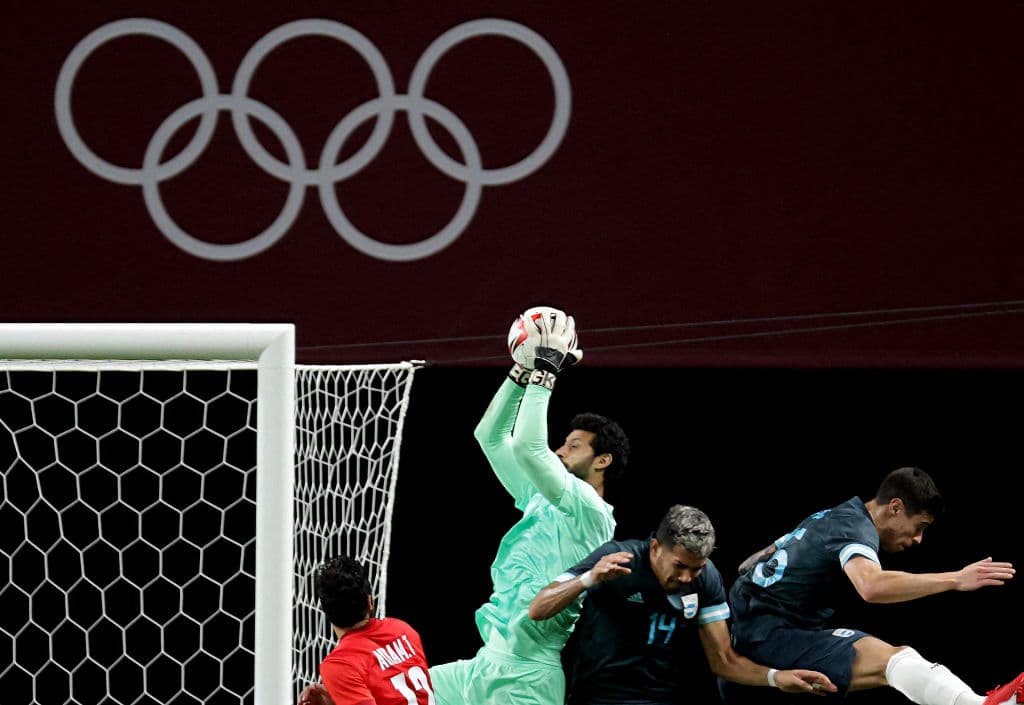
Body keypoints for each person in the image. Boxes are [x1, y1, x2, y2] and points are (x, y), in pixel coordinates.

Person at [428, 306, 632, 705]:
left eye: (573, 446)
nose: (560, 451)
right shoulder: (541, 497)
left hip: (528, 677)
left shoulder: (590, 513)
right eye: (562, 442)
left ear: (602, 460)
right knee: (391, 692)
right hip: (484, 663)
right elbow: (489, 435)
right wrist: (520, 373)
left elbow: (528, 446)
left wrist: (547, 369)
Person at [719, 466, 1022, 705]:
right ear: (895, 507)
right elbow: (872, 586)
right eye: (920, 527)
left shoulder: (835, 515)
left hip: (757, 634)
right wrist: (955, 579)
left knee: (889, 657)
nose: (918, 540)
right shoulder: (856, 529)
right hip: (769, 639)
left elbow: (748, 564)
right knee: (891, 660)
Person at [529, 503, 838, 705]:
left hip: (661, 697)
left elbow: (722, 660)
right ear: (654, 547)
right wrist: (589, 579)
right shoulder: (617, 558)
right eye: (680, 566)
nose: (688, 577)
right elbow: (539, 608)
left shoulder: (706, 579)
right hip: (598, 696)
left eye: (697, 568)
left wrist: (776, 678)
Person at [296, 555, 435, 705]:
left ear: (323, 609)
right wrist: (343, 698)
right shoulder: (404, 630)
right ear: (369, 602)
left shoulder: (340, 664)